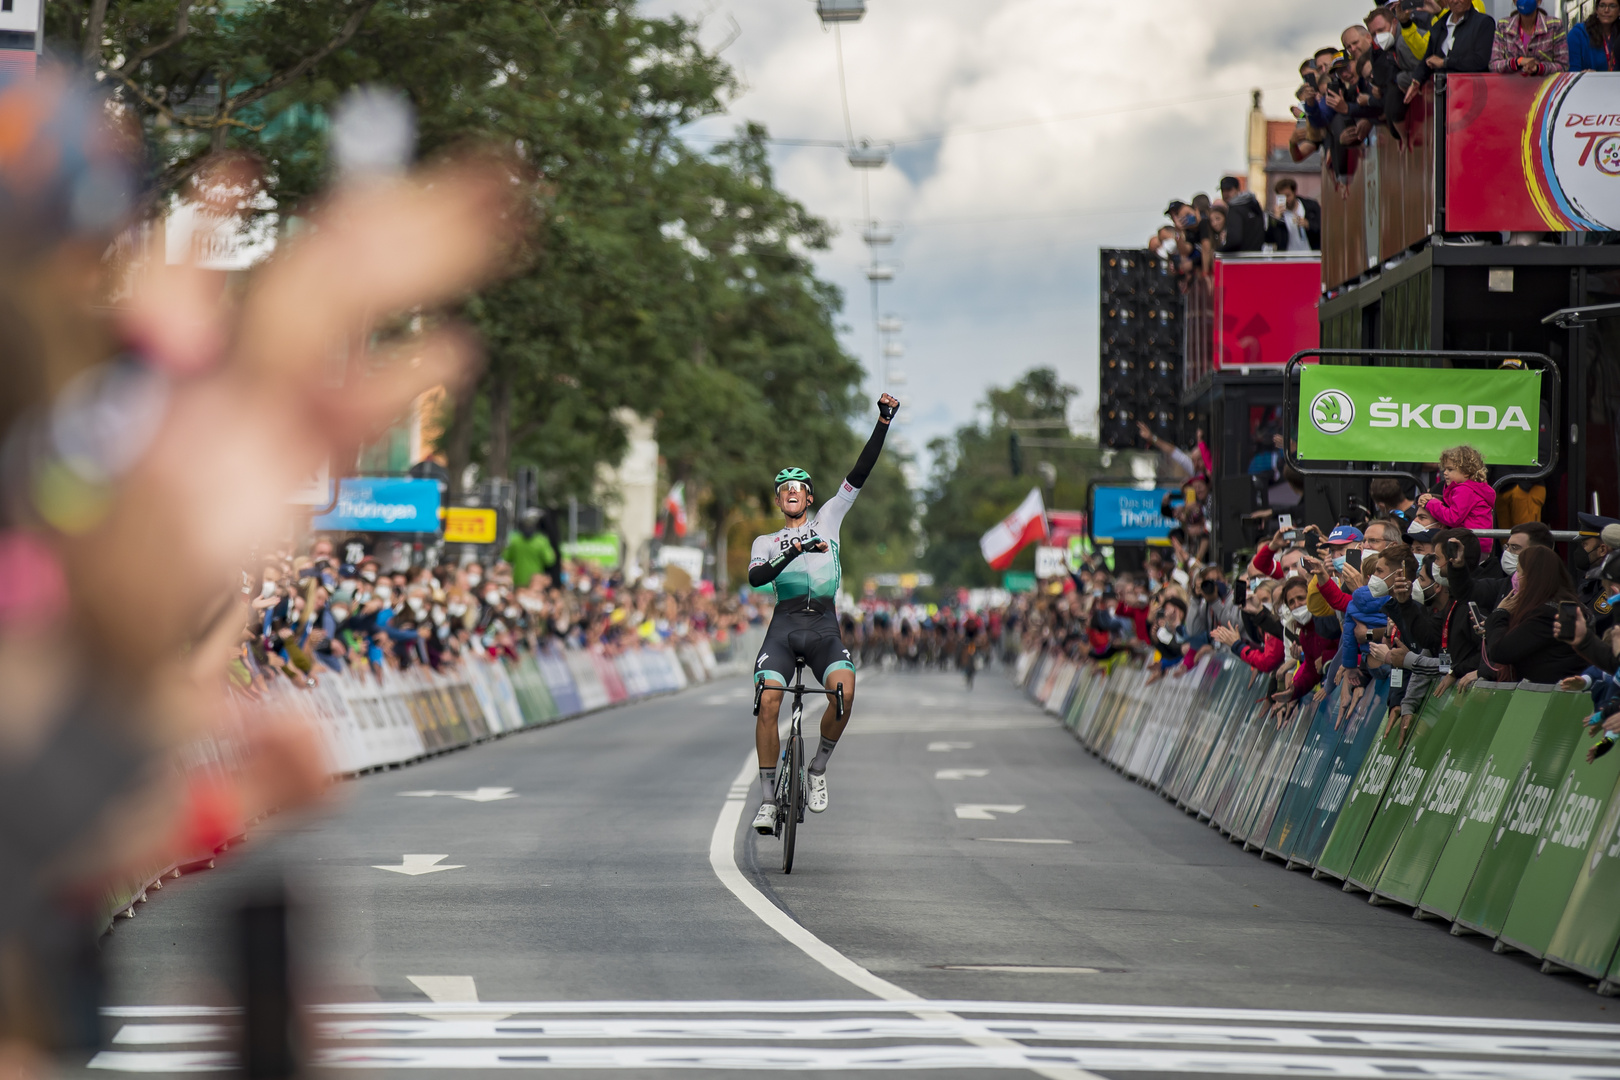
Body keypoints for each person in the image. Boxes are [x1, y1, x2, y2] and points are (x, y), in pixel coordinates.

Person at [747, 393, 899, 833]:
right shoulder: (765, 541)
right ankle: (767, 800)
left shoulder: (830, 517)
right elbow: (758, 579)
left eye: (798, 489)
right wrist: (790, 551)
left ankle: (816, 768)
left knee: (845, 693)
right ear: (779, 502)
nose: (791, 494)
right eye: (784, 490)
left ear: (810, 497)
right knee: (768, 702)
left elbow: (860, 472)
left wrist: (882, 424)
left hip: (823, 626)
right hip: (785, 626)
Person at [1483, 546, 1586, 683]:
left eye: (1518, 571)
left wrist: (1500, 613)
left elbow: (1500, 652)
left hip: (1553, 695)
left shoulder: (1546, 614)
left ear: (1531, 577)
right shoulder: (1563, 605)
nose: (1516, 577)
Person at [1416, 445, 1497, 552]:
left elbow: (1453, 518)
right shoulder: (1471, 488)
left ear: (1466, 471)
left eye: (1450, 469)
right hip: (1477, 542)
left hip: (1470, 543)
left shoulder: (1465, 490)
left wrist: (1431, 503)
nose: (1445, 473)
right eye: (1444, 469)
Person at [1410, 0, 1495, 101]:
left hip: (1472, 97)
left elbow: (1481, 61)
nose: (1455, 1)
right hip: (1442, 100)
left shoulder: (1484, 23)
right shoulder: (1439, 26)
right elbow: (1428, 59)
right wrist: (1417, 79)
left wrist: (1445, 62)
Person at [1488, 0, 1567, 75]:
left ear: (1539, 1)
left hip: (1545, 87)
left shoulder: (1554, 26)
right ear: (1515, 1)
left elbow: (1563, 65)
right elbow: (1494, 65)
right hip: (1511, 87)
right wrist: (1518, 62)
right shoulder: (1503, 26)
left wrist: (1538, 68)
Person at [502, 507, 557, 588]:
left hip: (518, 580)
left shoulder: (514, 539)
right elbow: (549, 560)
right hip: (536, 581)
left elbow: (506, 557)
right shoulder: (542, 540)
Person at [1268, 178, 1320, 252]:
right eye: (1282, 197)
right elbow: (1270, 239)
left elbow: (1321, 228)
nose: (1286, 199)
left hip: (1310, 256)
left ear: (1295, 192)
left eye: (1288, 195)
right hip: (1288, 258)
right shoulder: (1277, 214)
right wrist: (1276, 220)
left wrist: (1308, 224)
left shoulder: (1311, 207)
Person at [1217, 175, 1266, 253]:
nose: (1225, 194)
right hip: (1257, 257)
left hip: (1240, 259)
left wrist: (1220, 251)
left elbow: (1235, 240)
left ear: (1238, 189)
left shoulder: (1235, 209)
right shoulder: (1254, 205)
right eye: (1223, 190)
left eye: (1229, 190)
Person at [1568, 0, 1619, 71]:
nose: (1606, 10)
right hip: (1588, 81)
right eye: (1602, 5)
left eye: (1612, 6)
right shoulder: (1578, 34)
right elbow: (1572, 71)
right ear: (1596, 10)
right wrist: (1585, 75)